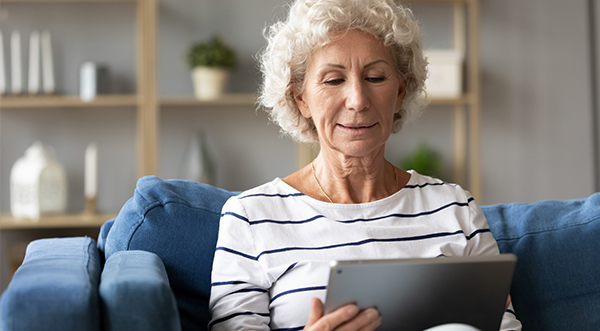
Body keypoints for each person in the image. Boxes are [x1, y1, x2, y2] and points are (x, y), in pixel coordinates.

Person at [209, 0, 522, 330]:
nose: (357, 99)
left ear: (400, 92)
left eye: (375, 77)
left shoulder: (455, 208)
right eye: (333, 80)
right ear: (301, 98)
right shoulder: (251, 217)